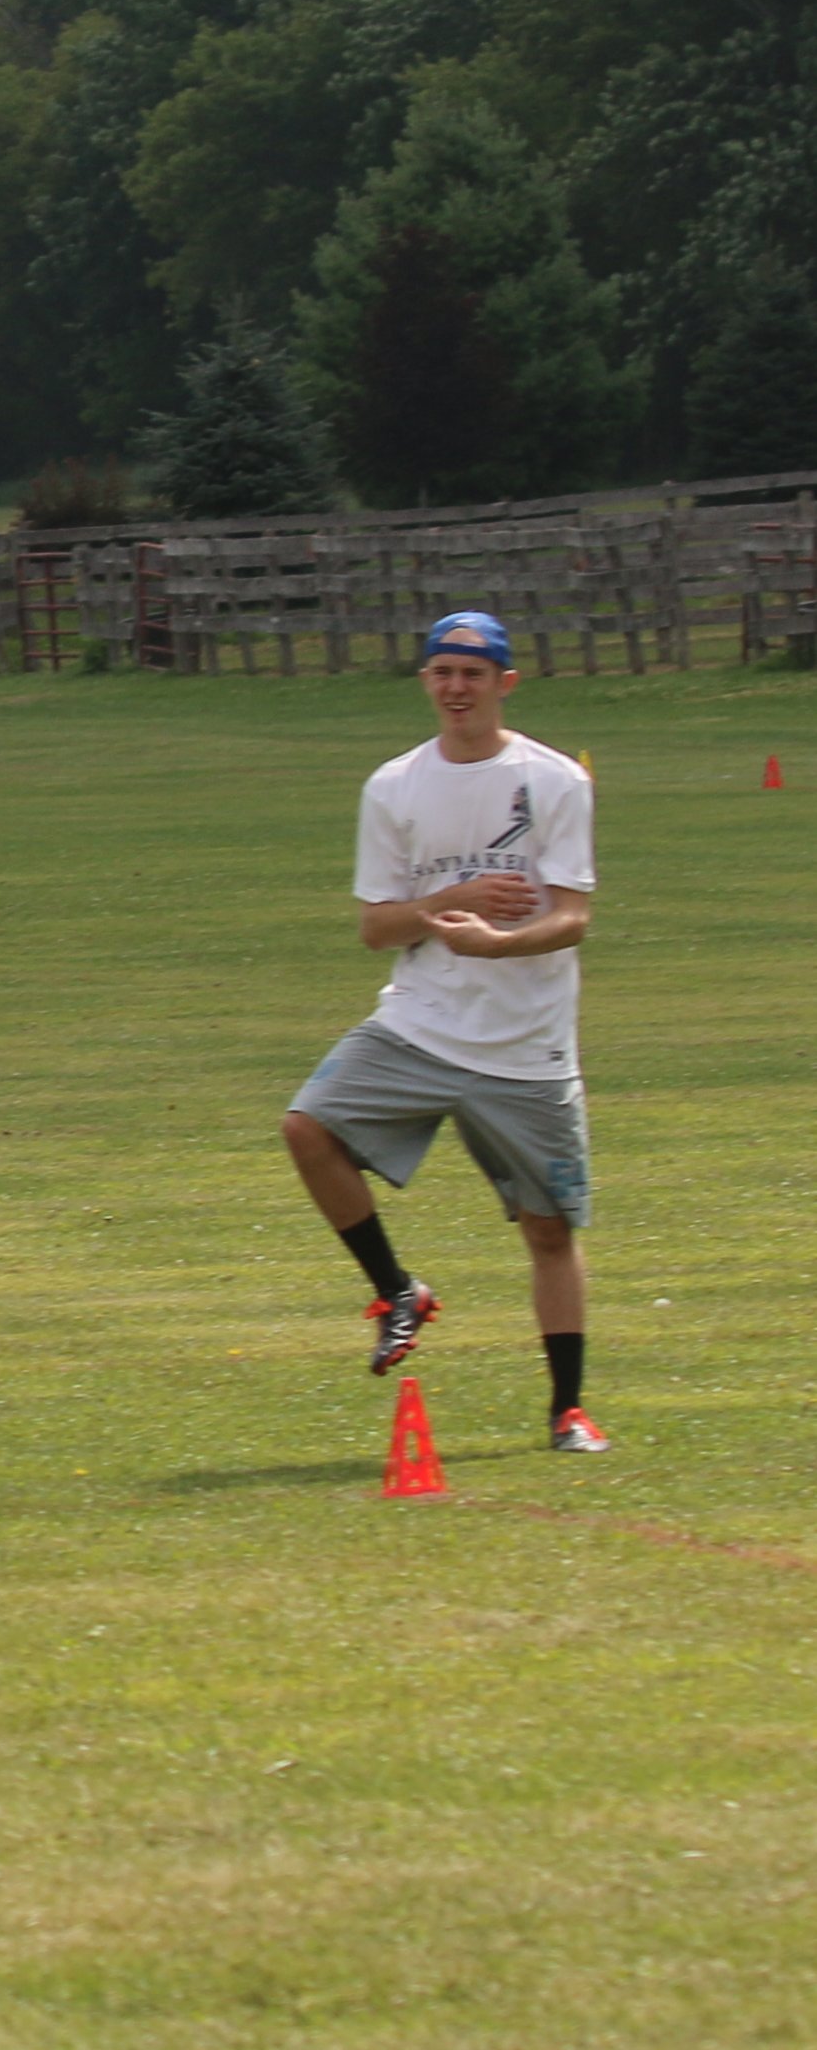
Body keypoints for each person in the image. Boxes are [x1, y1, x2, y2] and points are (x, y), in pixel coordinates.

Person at [280, 610, 608, 1450]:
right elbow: (375, 928)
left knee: (549, 1230)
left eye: (473, 673)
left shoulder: (554, 781)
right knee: (307, 1127)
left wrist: (498, 943)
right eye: (443, 672)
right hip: (420, 1025)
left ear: (505, 683)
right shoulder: (393, 786)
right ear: (426, 680)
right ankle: (397, 1291)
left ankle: (568, 1411)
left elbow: (572, 918)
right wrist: (444, 908)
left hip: (526, 1043)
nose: (456, 688)